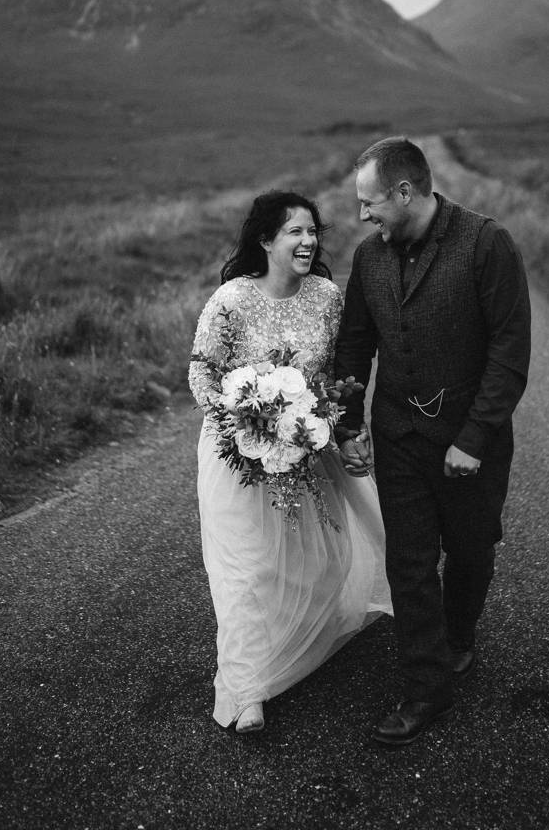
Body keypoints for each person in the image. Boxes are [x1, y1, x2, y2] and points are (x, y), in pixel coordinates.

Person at [333, 136, 531, 747]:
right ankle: (427, 687)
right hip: (399, 435)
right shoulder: (369, 258)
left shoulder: (485, 243)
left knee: (471, 550)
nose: (363, 216)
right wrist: (347, 424)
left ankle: (460, 633)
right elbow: (355, 345)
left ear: (405, 192)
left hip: (471, 441)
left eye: (371, 204)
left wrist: (472, 438)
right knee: (410, 561)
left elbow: (509, 353)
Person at [188, 190, 391, 735]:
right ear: (265, 240)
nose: (308, 241)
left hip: (307, 447)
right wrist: (242, 420)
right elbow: (202, 373)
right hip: (238, 455)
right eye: (295, 232)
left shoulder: (326, 297)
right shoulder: (231, 300)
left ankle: (305, 637)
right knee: (248, 568)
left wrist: (340, 429)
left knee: (317, 556)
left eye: (312, 231)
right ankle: (245, 688)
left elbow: (340, 370)